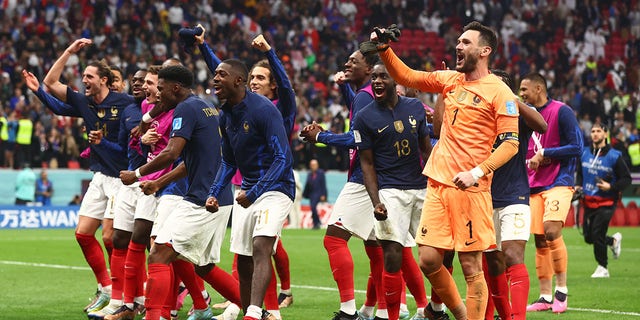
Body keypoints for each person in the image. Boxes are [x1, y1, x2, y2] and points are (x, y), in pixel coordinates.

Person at [371, 21, 520, 320]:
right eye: (458, 41)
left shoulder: (500, 92)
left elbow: (511, 144)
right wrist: (385, 49)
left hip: (471, 189)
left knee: (470, 266)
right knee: (427, 259)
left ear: (485, 50)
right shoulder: (451, 80)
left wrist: (477, 172)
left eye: (466, 42)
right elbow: (408, 76)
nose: (458, 46)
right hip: (438, 183)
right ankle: (462, 314)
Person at [26, 38, 134, 312]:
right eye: (83, 75)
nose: (84, 80)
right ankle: (108, 288)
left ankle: (128, 297)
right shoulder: (84, 102)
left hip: (121, 178)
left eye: (89, 76)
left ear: (105, 80)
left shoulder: (126, 104)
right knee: (84, 234)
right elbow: (51, 83)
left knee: (111, 238)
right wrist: (68, 52)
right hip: (99, 176)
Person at [118, 65, 230, 320]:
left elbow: (171, 153)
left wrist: (137, 174)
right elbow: (189, 162)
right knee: (202, 266)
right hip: (211, 194)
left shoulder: (186, 108)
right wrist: (157, 183)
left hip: (200, 196)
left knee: (159, 251)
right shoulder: (205, 106)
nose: (158, 93)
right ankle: (253, 310)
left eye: (161, 87)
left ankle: (157, 314)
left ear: (175, 87)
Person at [206, 59, 295, 320]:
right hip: (247, 191)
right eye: (215, 74)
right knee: (243, 258)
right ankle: (251, 311)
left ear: (238, 81)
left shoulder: (264, 110)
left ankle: (255, 312)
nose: (215, 79)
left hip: (276, 188)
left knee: (261, 245)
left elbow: (282, 158)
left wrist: (256, 191)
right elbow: (229, 161)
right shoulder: (226, 115)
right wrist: (214, 191)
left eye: (221, 74)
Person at [353, 62, 432, 320]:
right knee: (392, 254)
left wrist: (437, 182)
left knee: (436, 252)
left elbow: (425, 148)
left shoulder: (415, 107)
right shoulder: (364, 116)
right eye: (373, 77)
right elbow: (367, 163)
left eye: (383, 76)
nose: (376, 81)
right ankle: (391, 316)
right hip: (390, 192)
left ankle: (437, 308)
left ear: (395, 81)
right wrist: (376, 200)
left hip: (421, 188)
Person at [482, 69, 547, 320]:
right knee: (492, 263)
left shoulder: (516, 115)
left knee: (511, 254)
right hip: (483, 197)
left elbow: (542, 124)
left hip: (514, 195)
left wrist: (512, 100)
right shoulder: (478, 117)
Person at [85, 68, 149, 319]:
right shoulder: (131, 111)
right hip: (129, 180)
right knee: (119, 240)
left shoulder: (167, 110)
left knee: (158, 246)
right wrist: (101, 144)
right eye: (134, 81)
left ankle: (182, 302)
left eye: (143, 82)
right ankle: (125, 300)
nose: (137, 85)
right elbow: (123, 148)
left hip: (154, 183)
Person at [520, 73, 582, 314]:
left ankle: (561, 291)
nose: (522, 93)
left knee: (551, 229)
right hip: (534, 185)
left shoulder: (561, 111)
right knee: (538, 239)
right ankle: (545, 296)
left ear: (538, 88)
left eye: (525, 89)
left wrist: (545, 152)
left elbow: (577, 147)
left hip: (560, 180)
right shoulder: (525, 116)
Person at [576, 123, 630, 278]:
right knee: (588, 237)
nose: (595, 134)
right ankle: (613, 241)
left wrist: (611, 187)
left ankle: (603, 267)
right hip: (588, 201)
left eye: (598, 131)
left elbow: (626, 179)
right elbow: (580, 172)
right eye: (593, 131)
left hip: (607, 201)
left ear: (606, 134)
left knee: (597, 233)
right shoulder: (584, 153)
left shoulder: (615, 156)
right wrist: (578, 186)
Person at [302, 159, 328, 229]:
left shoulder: (321, 173)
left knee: (313, 207)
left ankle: (317, 222)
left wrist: (323, 195)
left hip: (318, 193)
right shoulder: (309, 174)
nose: (313, 166)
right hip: (311, 194)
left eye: (314, 165)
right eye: (312, 165)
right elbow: (307, 185)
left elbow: (323, 184)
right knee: (312, 208)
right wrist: (304, 194)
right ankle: (316, 223)